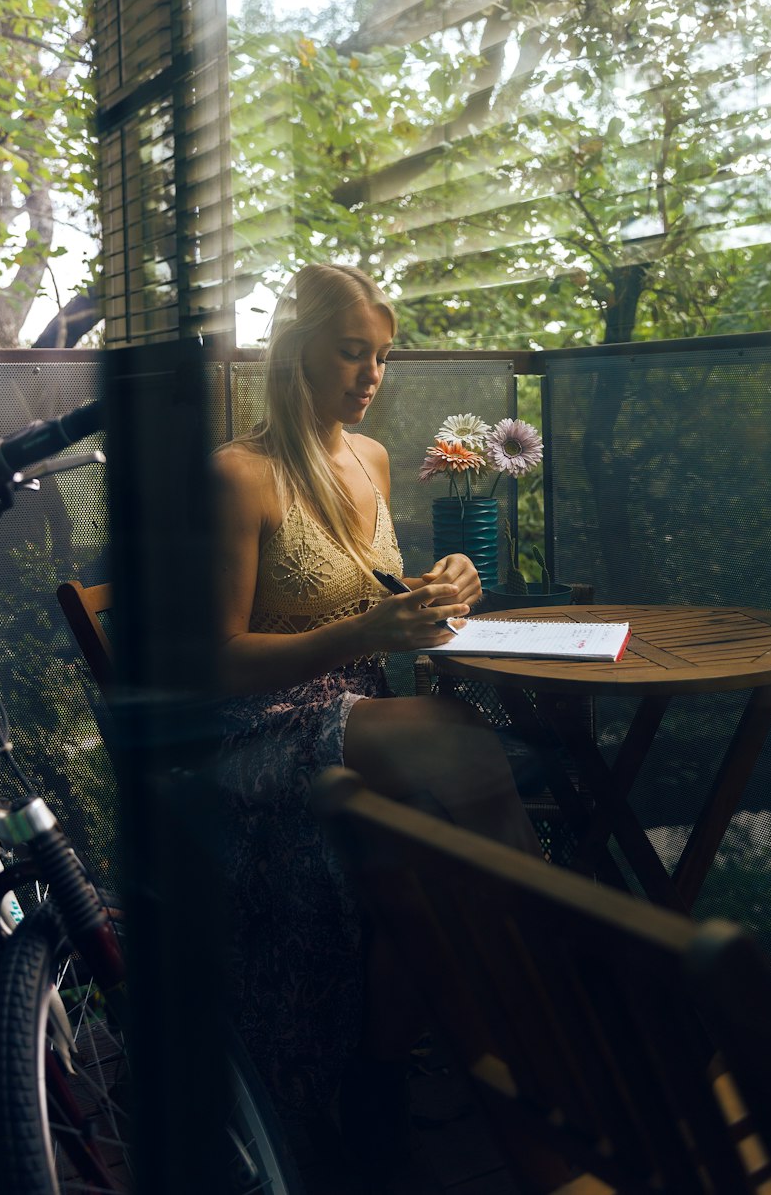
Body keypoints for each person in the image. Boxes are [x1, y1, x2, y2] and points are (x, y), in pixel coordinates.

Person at [211, 261, 541, 1155]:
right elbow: (219, 662)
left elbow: (376, 592)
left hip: (362, 706)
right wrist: (368, 632)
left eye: (383, 357)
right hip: (258, 727)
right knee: (464, 740)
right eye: (352, 353)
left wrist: (446, 585)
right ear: (297, 351)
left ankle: (381, 1076)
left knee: (426, 852)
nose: (370, 376)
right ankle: (538, 998)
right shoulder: (238, 476)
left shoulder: (373, 458)